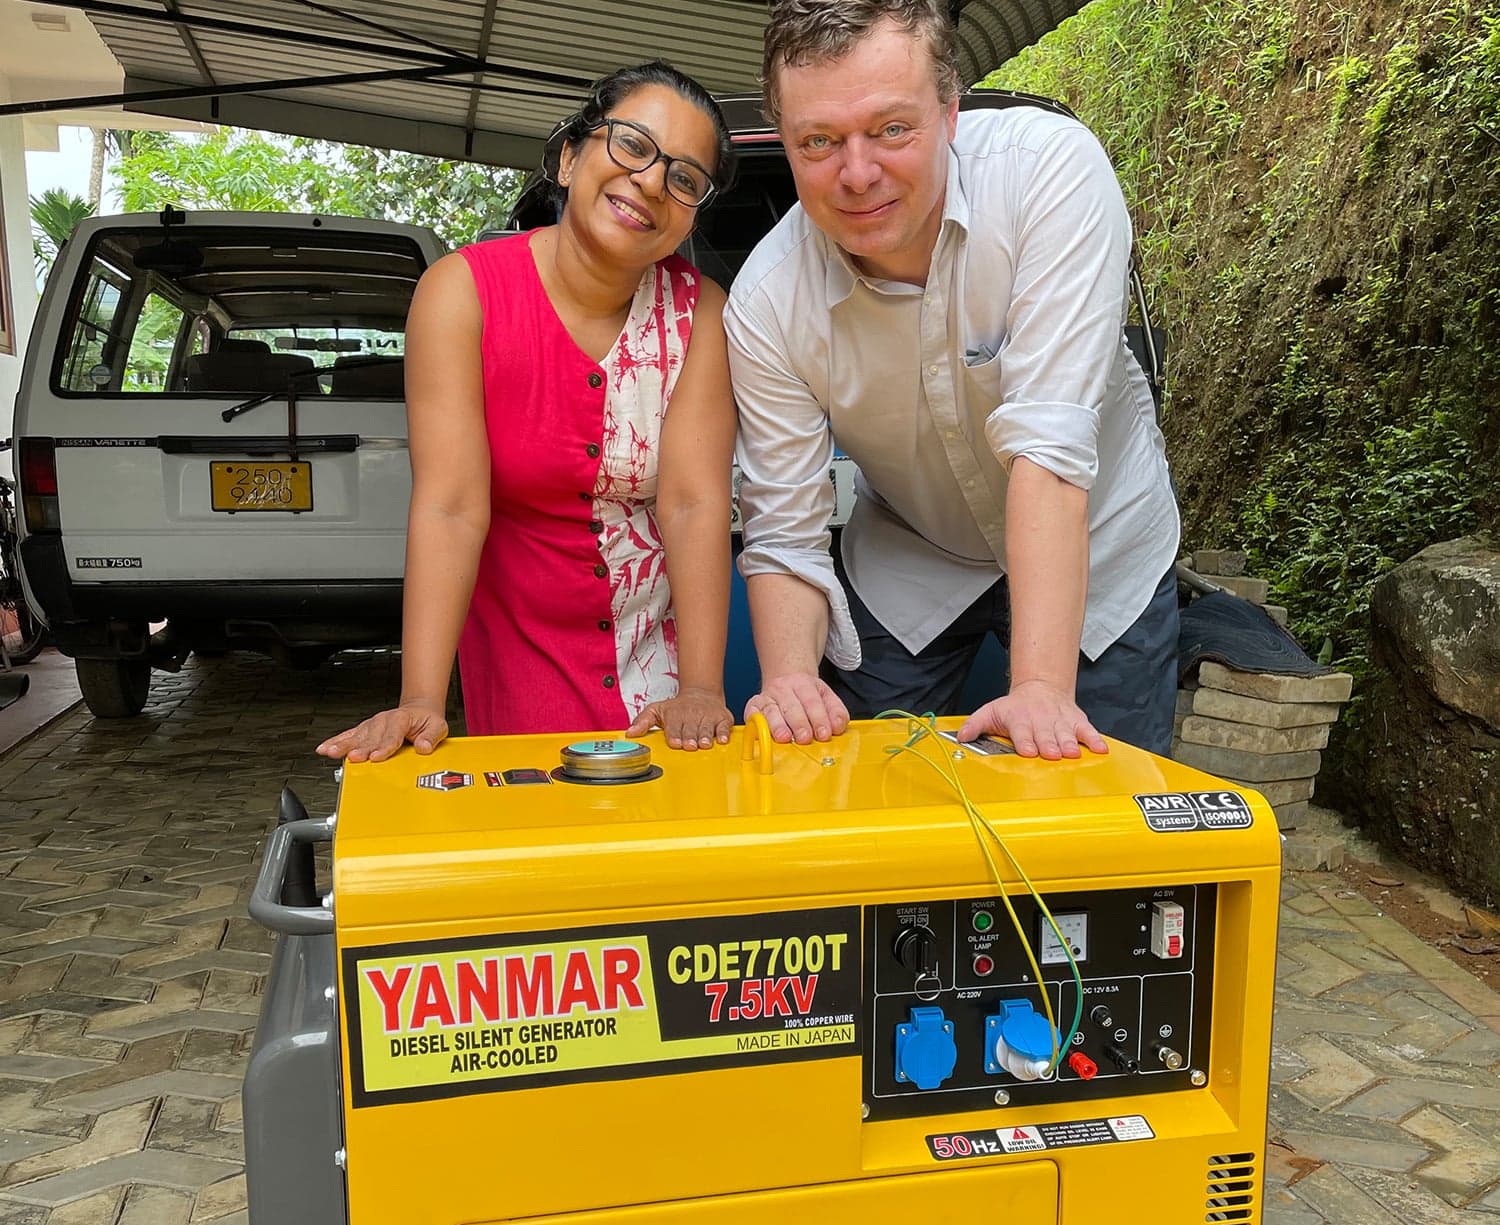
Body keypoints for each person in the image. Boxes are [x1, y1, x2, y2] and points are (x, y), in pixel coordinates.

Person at [727, 0, 1182, 759]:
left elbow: (1050, 450)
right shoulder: (768, 301)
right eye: (819, 142)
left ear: (950, 111)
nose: (858, 173)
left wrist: (1039, 687)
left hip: (1099, 544)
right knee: (859, 804)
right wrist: (788, 682)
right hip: (913, 553)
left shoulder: (1049, 173)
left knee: (1096, 831)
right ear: (787, 141)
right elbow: (785, 532)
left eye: (892, 129)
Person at [318, 62, 738, 763]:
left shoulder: (702, 314)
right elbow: (452, 506)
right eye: (632, 146)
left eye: (685, 178)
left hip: (660, 676)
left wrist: (701, 686)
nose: (651, 182)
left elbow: (694, 504)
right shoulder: (463, 294)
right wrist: (419, 698)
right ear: (570, 156)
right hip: (522, 666)